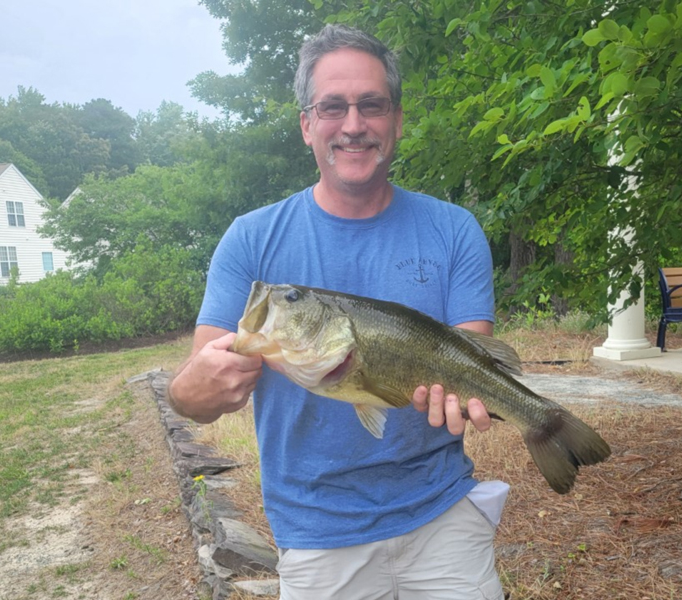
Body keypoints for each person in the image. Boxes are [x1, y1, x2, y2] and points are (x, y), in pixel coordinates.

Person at [168, 24, 507, 600]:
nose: (353, 125)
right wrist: (197, 385)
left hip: (443, 515)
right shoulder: (251, 241)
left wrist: (470, 403)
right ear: (306, 124)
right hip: (317, 534)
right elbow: (192, 402)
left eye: (371, 105)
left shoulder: (455, 230)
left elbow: (470, 365)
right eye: (332, 107)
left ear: (397, 120)